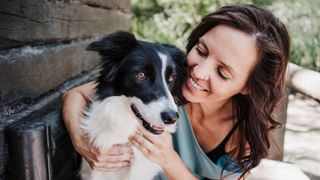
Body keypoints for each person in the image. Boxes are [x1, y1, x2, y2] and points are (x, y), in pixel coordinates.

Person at [62, 4, 290, 180]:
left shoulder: (243, 134)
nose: (199, 72)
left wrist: (169, 161)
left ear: (248, 86)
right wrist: (82, 143)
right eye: (201, 51)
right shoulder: (172, 82)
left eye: (222, 72)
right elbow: (75, 95)